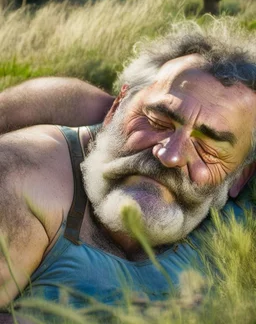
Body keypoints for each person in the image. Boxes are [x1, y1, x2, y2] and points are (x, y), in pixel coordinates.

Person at [1, 28, 256, 324]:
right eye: (158, 120)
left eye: (208, 146)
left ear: (241, 176)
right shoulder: (24, 182)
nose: (170, 156)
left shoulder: (240, 219)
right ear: (117, 108)